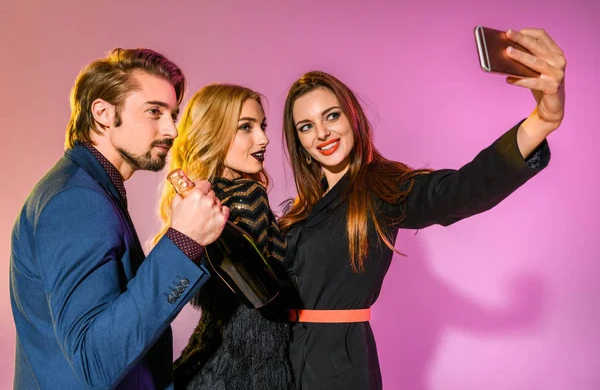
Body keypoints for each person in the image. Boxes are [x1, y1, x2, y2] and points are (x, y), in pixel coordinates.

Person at [278, 28, 566, 389]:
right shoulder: (297, 213)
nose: (321, 133)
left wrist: (542, 121)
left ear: (352, 118)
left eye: (331, 116)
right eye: (307, 126)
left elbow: (459, 191)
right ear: (300, 142)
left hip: (340, 369)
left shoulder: (381, 188)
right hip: (284, 363)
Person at [9, 48, 229, 390]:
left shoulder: (90, 188)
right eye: (154, 112)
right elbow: (94, 359)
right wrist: (183, 241)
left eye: (173, 114)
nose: (172, 130)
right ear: (103, 114)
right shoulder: (76, 201)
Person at [155, 84, 295, 390]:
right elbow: (271, 288)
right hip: (256, 360)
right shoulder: (248, 194)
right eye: (246, 127)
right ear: (213, 132)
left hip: (206, 357)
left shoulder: (194, 205)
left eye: (262, 126)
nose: (264, 139)